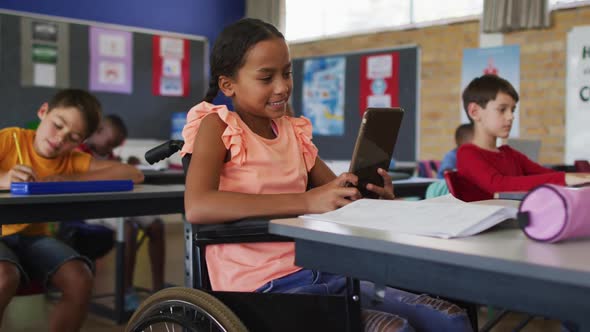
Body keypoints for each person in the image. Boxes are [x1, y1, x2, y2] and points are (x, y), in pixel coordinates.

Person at [180, 18, 472, 331]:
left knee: (450, 319)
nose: (282, 86)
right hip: (264, 286)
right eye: (266, 77)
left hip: (325, 270)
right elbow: (199, 205)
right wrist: (306, 201)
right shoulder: (218, 126)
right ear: (228, 85)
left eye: (287, 73)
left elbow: (335, 194)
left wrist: (373, 198)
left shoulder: (294, 131)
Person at [0, 89, 143, 332]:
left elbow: (133, 173)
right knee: (4, 276)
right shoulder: (10, 139)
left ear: (81, 143)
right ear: (43, 112)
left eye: (73, 137)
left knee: (80, 278)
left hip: (33, 238)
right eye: (57, 125)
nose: (60, 139)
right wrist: (3, 178)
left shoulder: (69, 160)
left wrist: (67, 178)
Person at [76, 114, 166, 310]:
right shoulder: (79, 152)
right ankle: (126, 291)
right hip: (90, 208)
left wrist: (127, 166)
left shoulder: (110, 156)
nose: (111, 149)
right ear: (96, 132)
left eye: (115, 145)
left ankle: (158, 287)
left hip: (116, 204)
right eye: (109, 143)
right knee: (128, 228)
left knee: (157, 225)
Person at [456, 74, 590, 199]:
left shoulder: (510, 154)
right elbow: (499, 186)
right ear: (475, 111)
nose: (511, 117)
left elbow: (545, 174)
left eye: (512, 110)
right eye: (502, 109)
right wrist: (566, 179)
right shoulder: (467, 153)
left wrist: (581, 177)